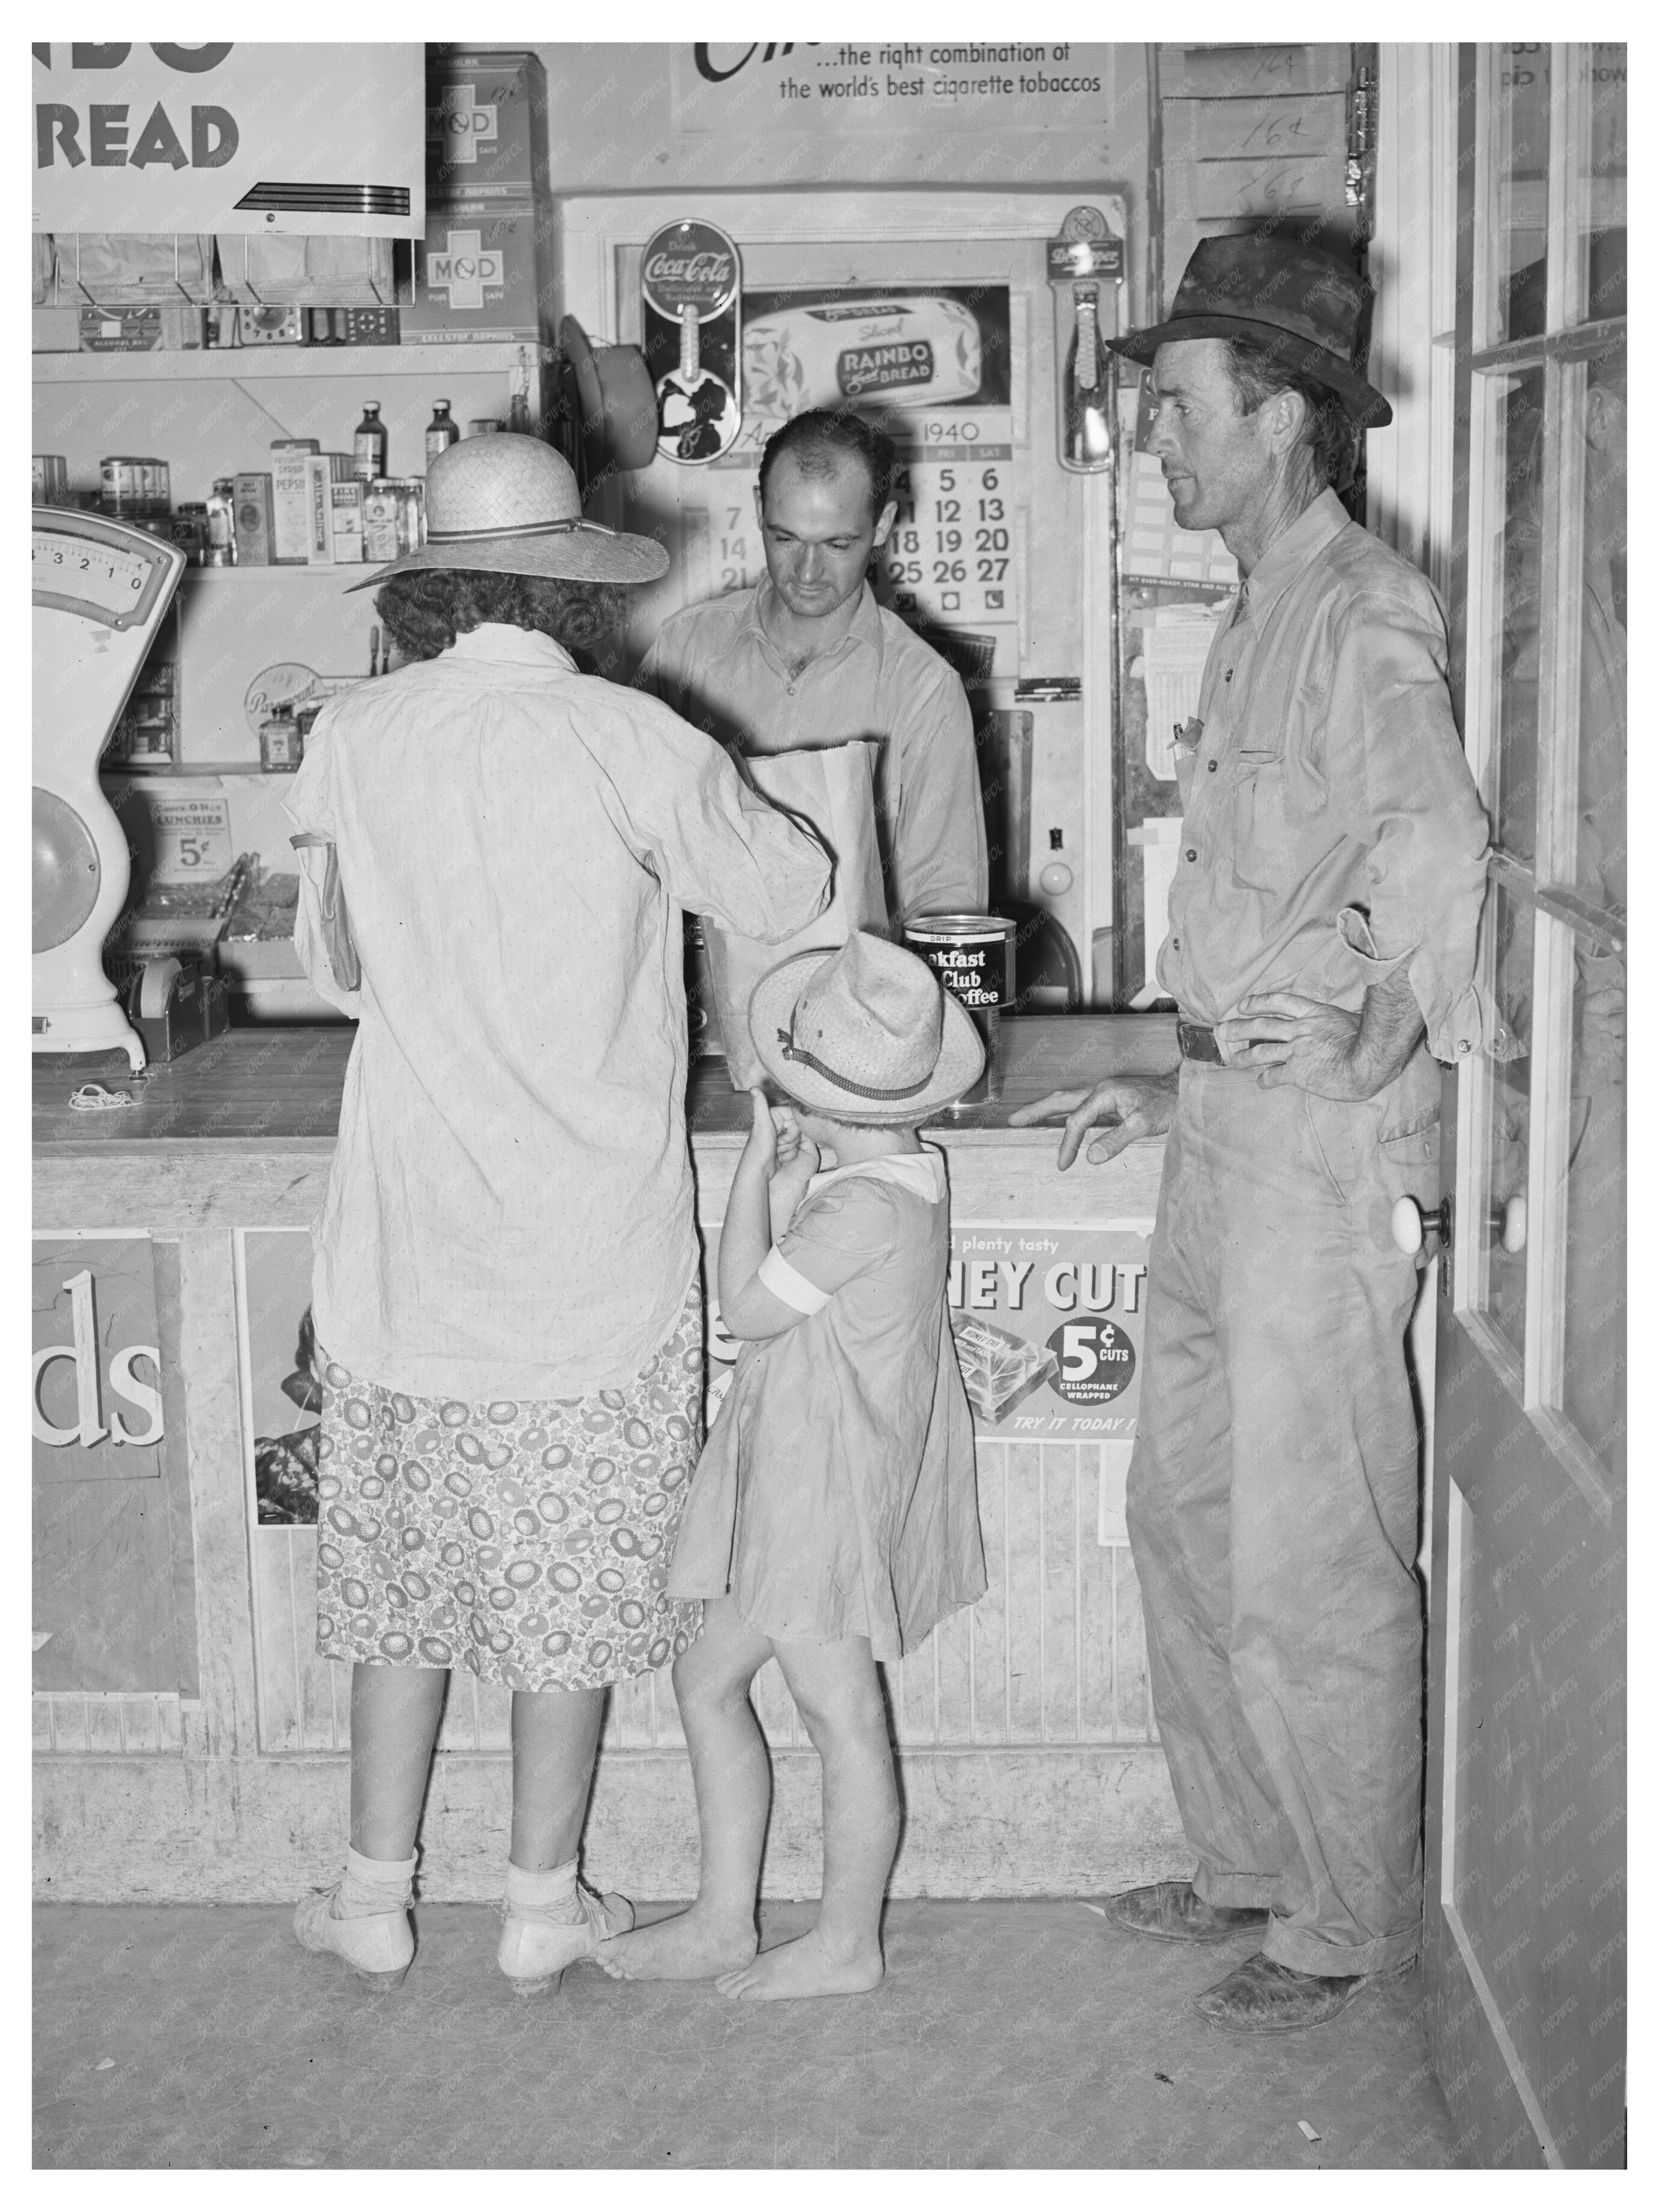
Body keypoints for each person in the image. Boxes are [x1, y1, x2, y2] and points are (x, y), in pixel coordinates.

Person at [1011, 235, 1493, 2032]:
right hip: (1222, 1126)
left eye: (1176, 406)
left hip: (1309, 1151)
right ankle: (1244, 1858)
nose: (1153, 437)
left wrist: (1374, 1018)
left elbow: (1436, 844)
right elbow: (1282, 890)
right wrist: (1181, 1071)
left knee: (1309, 1555)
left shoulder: (1360, 604)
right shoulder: (1255, 606)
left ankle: (1347, 1914)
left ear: (1280, 414)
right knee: (1186, 1516)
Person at [283, 434, 831, 1994]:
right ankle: (540, 1904)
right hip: (589, 1256)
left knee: (401, 1592)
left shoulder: (354, 733)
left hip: (407, 1248)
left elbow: (332, 963)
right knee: (562, 1597)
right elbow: (788, 888)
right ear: (575, 585)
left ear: (430, 590)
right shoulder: (630, 736)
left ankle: (371, 1894)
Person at [599, 932, 987, 1999]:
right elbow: (800, 1293)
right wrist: (794, 1182)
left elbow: (747, 1307)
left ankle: (846, 1943)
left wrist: (749, 1180)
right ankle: (725, 1919)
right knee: (708, 1677)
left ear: (813, 1100)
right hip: (795, 1479)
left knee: (838, 1715)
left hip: (819, 1491)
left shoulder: (864, 1204)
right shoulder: (900, 1173)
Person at [639, 408, 989, 929]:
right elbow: (631, 843)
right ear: (760, 509)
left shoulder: (923, 689)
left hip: (860, 978)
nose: (807, 572)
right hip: (708, 976)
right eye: (786, 539)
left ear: (882, 526)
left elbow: (945, 903)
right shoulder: (684, 650)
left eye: (837, 545)